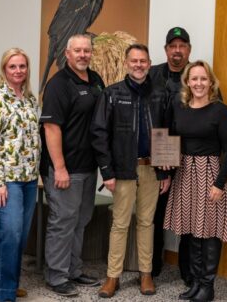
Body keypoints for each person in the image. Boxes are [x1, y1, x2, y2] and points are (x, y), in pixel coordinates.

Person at [91, 44, 171, 298]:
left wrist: (165, 171)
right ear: (126, 64)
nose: (138, 65)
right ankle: (112, 277)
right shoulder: (112, 93)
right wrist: (107, 171)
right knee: (120, 224)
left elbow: (168, 129)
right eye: (134, 61)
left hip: (151, 169)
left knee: (147, 222)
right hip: (122, 170)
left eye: (143, 61)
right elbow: (99, 133)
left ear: (149, 63)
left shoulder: (161, 93)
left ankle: (145, 274)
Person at [163, 61, 227, 302]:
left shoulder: (220, 111)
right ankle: (194, 282)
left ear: (211, 82)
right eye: (194, 79)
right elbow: (171, 136)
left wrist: (219, 183)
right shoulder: (180, 107)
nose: (199, 83)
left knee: (210, 231)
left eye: (203, 79)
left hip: (210, 173)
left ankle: (207, 285)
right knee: (192, 231)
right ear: (187, 82)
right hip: (185, 172)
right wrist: (165, 162)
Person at [39, 34, 105, 297]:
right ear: (67, 54)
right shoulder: (58, 84)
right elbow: (51, 127)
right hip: (65, 168)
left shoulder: (96, 80)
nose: (82, 55)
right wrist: (60, 167)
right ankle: (56, 276)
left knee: (81, 220)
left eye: (86, 50)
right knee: (63, 221)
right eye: (77, 51)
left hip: (88, 166)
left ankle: (73, 270)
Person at [0, 48, 41, 301]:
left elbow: (34, 138)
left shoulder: (29, 99)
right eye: (13, 66)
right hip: (5, 179)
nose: (18, 71)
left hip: (29, 177)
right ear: (4, 70)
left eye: (22, 66)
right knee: (10, 232)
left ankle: (7, 285)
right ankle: (1, 294)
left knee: (19, 235)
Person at [149, 26, 193, 284]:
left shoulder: (198, 74)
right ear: (166, 49)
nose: (177, 51)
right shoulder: (152, 75)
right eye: (172, 46)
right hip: (161, 147)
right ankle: (152, 266)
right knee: (155, 213)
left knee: (187, 214)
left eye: (182, 46)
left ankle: (187, 270)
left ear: (189, 49)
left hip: (189, 153)